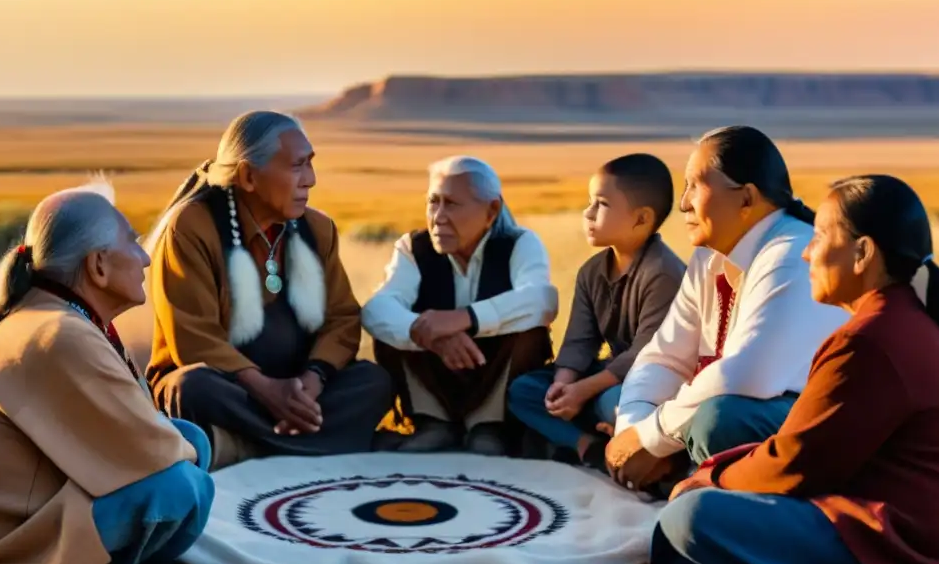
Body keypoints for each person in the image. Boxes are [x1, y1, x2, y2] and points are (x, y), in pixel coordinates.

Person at [650, 174, 939, 564]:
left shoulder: (871, 339)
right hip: (926, 528)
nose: (806, 251)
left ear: (863, 253)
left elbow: (795, 464)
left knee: (692, 516)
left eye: (819, 236)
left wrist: (711, 479)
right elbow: (805, 450)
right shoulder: (899, 319)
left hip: (909, 543)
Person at [0, 182, 213, 564]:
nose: (144, 258)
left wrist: (182, 447)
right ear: (98, 265)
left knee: (189, 440)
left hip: (7, 517)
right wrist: (191, 461)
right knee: (179, 487)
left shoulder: (58, 316)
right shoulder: (60, 333)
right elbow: (152, 450)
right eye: (134, 242)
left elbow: (140, 432)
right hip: (1, 541)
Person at [144, 111, 395, 470]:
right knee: (191, 387)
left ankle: (241, 449)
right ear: (248, 176)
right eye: (297, 166)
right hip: (232, 389)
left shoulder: (318, 229)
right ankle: (316, 444)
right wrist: (266, 390)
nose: (310, 180)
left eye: (310, 164)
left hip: (298, 386)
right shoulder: (192, 227)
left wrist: (312, 382)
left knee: (374, 381)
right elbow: (193, 339)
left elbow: (341, 319)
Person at [606, 126, 848, 495]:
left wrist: (651, 438)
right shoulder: (708, 256)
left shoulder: (791, 252)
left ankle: (692, 481)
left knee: (717, 422)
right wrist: (631, 433)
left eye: (695, 186)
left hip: (801, 417)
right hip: (720, 404)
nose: (683, 203)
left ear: (746, 198)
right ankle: (671, 467)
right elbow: (664, 356)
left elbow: (747, 375)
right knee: (618, 400)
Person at [361, 156, 558, 456]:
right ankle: (433, 423)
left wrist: (466, 318)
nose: (438, 216)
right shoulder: (413, 247)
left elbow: (541, 299)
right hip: (437, 369)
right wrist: (428, 333)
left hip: (492, 372)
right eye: (433, 202)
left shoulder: (520, 244)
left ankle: (491, 427)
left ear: (491, 211)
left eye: (451, 204)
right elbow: (377, 308)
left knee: (529, 333)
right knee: (393, 328)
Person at [506, 154, 686, 469]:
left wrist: (583, 391)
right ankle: (587, 445)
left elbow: (645, 354)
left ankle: (611, 441)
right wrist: (563, 387)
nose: (588, 213)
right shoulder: (591, 272)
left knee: (611, 402)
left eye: (601, 204)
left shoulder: (663, 273)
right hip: (603, 378)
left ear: (641, 218)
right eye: (590, 202)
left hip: (649, 382)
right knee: (525, 391)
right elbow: (579, 341)